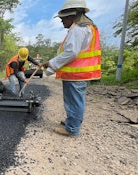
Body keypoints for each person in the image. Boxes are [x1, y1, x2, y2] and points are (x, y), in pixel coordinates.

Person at [42, 0, 101, 137]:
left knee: (74, 102)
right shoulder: (84, 28)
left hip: (77, 75)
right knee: (72, 101)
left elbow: (71, 53)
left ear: (71, 16)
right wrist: (50, 68)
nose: (62, 22)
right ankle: (72, 122)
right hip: (78, 74)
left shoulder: (79, 30)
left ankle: (72, 129)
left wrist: (50, 64)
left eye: (63, 19)